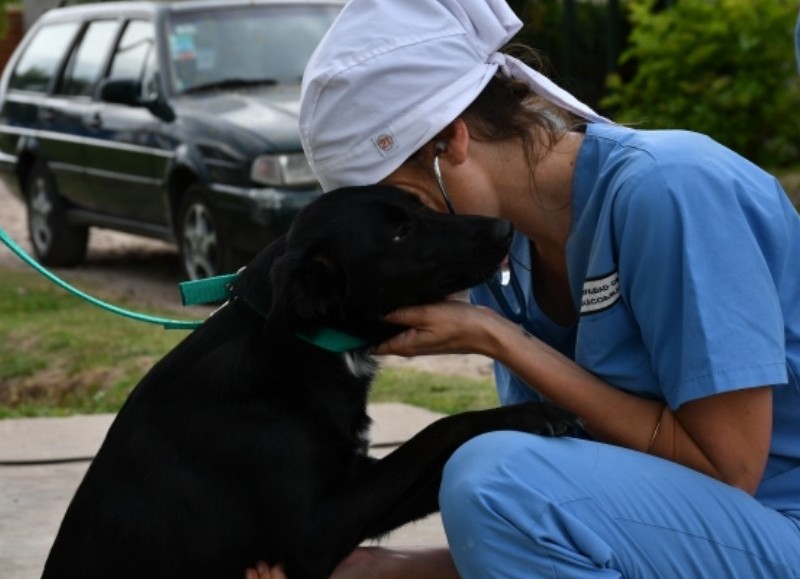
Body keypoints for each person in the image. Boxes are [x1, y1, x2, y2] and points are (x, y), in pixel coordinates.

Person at [250, 0, 800, 576]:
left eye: (402, 211)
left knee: (490, 470)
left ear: (451, 142)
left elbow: (728, 470)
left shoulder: (671, 190)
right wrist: (373, 570)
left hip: (778, 523)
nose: (410, 243)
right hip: (718, 545)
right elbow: (568, 520)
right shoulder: (505, 261)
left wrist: (502, 341)